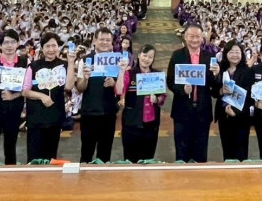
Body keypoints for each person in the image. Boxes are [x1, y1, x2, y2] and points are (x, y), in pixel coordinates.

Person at [23, 33, 76, 162]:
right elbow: (25, 91)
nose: (51, 49)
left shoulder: (64, 65)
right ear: (42, 48)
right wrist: (42, 96)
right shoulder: (33, 66)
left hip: (55, 116)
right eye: (47, 46)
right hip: (36, 118)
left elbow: (69, 86)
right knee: (34, 158)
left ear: (58, 47)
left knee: (51, 157)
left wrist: (71, 63)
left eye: (54, 46)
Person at [167, 24, 214, 162]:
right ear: (185, 37)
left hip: (202, 111)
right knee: (182, 152)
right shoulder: (177, 56)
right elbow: (170, 81)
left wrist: (216, 75)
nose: (194, 40)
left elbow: (214, 84)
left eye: (198, 36)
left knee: (201, 152)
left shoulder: (209, 57)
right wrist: (182, 89)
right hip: (182, 111)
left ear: (202, 38)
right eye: (191, 36)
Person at [115, 43, 167, 162]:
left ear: (153, 59)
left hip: (151, 126)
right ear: (138, 55)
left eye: (150, 57)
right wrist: (121, 71)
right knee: (130, 160)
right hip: (131, 124)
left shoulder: (157, 75)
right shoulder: (129, 73)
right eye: (144, 55)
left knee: (148, 160)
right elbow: (119, 90)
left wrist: (156, 99)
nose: (146, 59)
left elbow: (162, 97)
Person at [0, 29, 27, 164]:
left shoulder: (24, 62)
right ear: (0, 45)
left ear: (17, 44)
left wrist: (13, 96)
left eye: (13, 42)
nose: (9, 45)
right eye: (6, 42)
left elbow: (28, 88)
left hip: (14, 109)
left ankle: (11, 175)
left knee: (10, 147)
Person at [76, 27, 119, 163]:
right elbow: (80, 88)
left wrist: (114, 83)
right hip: (89, 113)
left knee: (105, 155)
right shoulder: (85, 60)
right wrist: (85, 78)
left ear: (112, 42)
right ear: (94, 40)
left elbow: (121, 88)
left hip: (108, 113)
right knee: (86, 154)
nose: (105, 42)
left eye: (108, 40)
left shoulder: (117, 61)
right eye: (101, 39)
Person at [212, 41, 253, 161]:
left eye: (237, 52)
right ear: (226, 53)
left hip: (241, 117)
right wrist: (220, 90)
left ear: (242, 54)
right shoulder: (220, 69)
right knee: (227, 150)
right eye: (231, 52)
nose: (235, 55)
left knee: (241, 151)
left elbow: (250, 96)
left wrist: (235, 112)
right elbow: (213, 92)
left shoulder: (248, 71)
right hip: (224, 116)